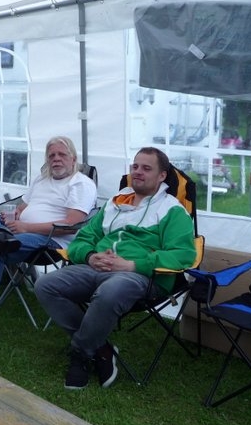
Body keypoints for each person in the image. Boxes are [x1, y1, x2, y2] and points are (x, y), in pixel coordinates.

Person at [34, 146, 196, 390]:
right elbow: (82, 239)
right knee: (46, 285)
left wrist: (132, 264)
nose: (138, 172)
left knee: (111, 290)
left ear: (162, 176)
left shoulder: (172, 210)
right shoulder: (114, 203)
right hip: (97, 268)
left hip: (141, 277)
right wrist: (90, 256)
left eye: (146, 168)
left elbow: (183, 254)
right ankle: (101, 348)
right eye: (135, 166)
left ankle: (81, 353)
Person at [0, 136, 97, 340]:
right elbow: (22, 207)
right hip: (17, 232)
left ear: (73, 159)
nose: (56, 159)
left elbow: (70, 225)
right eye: (51, 155)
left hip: (50, 241)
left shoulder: (80, 184)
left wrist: (25, 227)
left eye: (61, 155)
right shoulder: (42, 179)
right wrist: (12, 216)